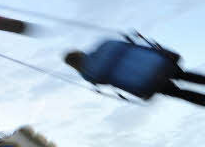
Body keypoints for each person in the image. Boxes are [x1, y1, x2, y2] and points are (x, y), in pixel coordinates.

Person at [65, 38, 205, 106]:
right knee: (185, 75)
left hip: (148, 83)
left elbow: (103, 82)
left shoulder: (88, 74)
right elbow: (131, 45)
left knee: (180, 93)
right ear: (81, 53)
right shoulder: (106, 45)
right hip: (158, 64)